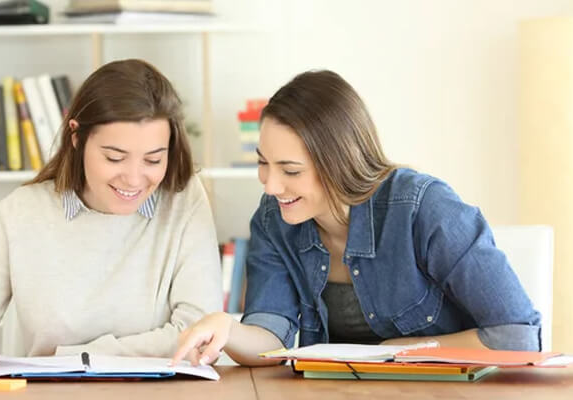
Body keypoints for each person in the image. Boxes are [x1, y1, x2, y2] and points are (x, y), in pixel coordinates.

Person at [171, 69, 541, 367]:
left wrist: (399, 351)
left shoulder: (423, 207)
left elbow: (518, 337)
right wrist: (227, 328)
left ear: (339, 163)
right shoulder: (274, 221)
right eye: (263, 163)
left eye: (291, 170)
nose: (271, 186)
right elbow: (270, 340)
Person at [0, 59, 222, 374]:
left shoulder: (184, 201)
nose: (134, 178)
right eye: (114, 157)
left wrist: (73, 358)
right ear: (76, 137)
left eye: (153, 159)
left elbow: (198, 332)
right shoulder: (21, 212)